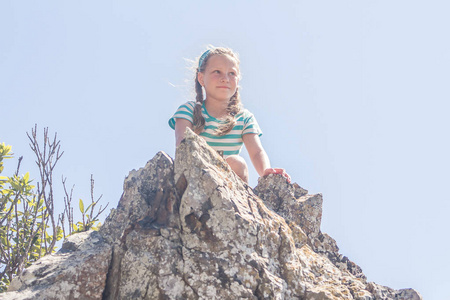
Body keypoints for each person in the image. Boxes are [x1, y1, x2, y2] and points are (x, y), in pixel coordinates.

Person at [169, 46, 290, 184]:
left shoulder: (244, 118)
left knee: (236, 163)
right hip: (195, 176)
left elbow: (257, 152)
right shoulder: (188, 110)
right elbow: (182, 143)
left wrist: (266, 171)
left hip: (229, 184)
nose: (225, 78)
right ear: (201, 78)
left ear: (237, 81)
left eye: (231, 73)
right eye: (217, 72)